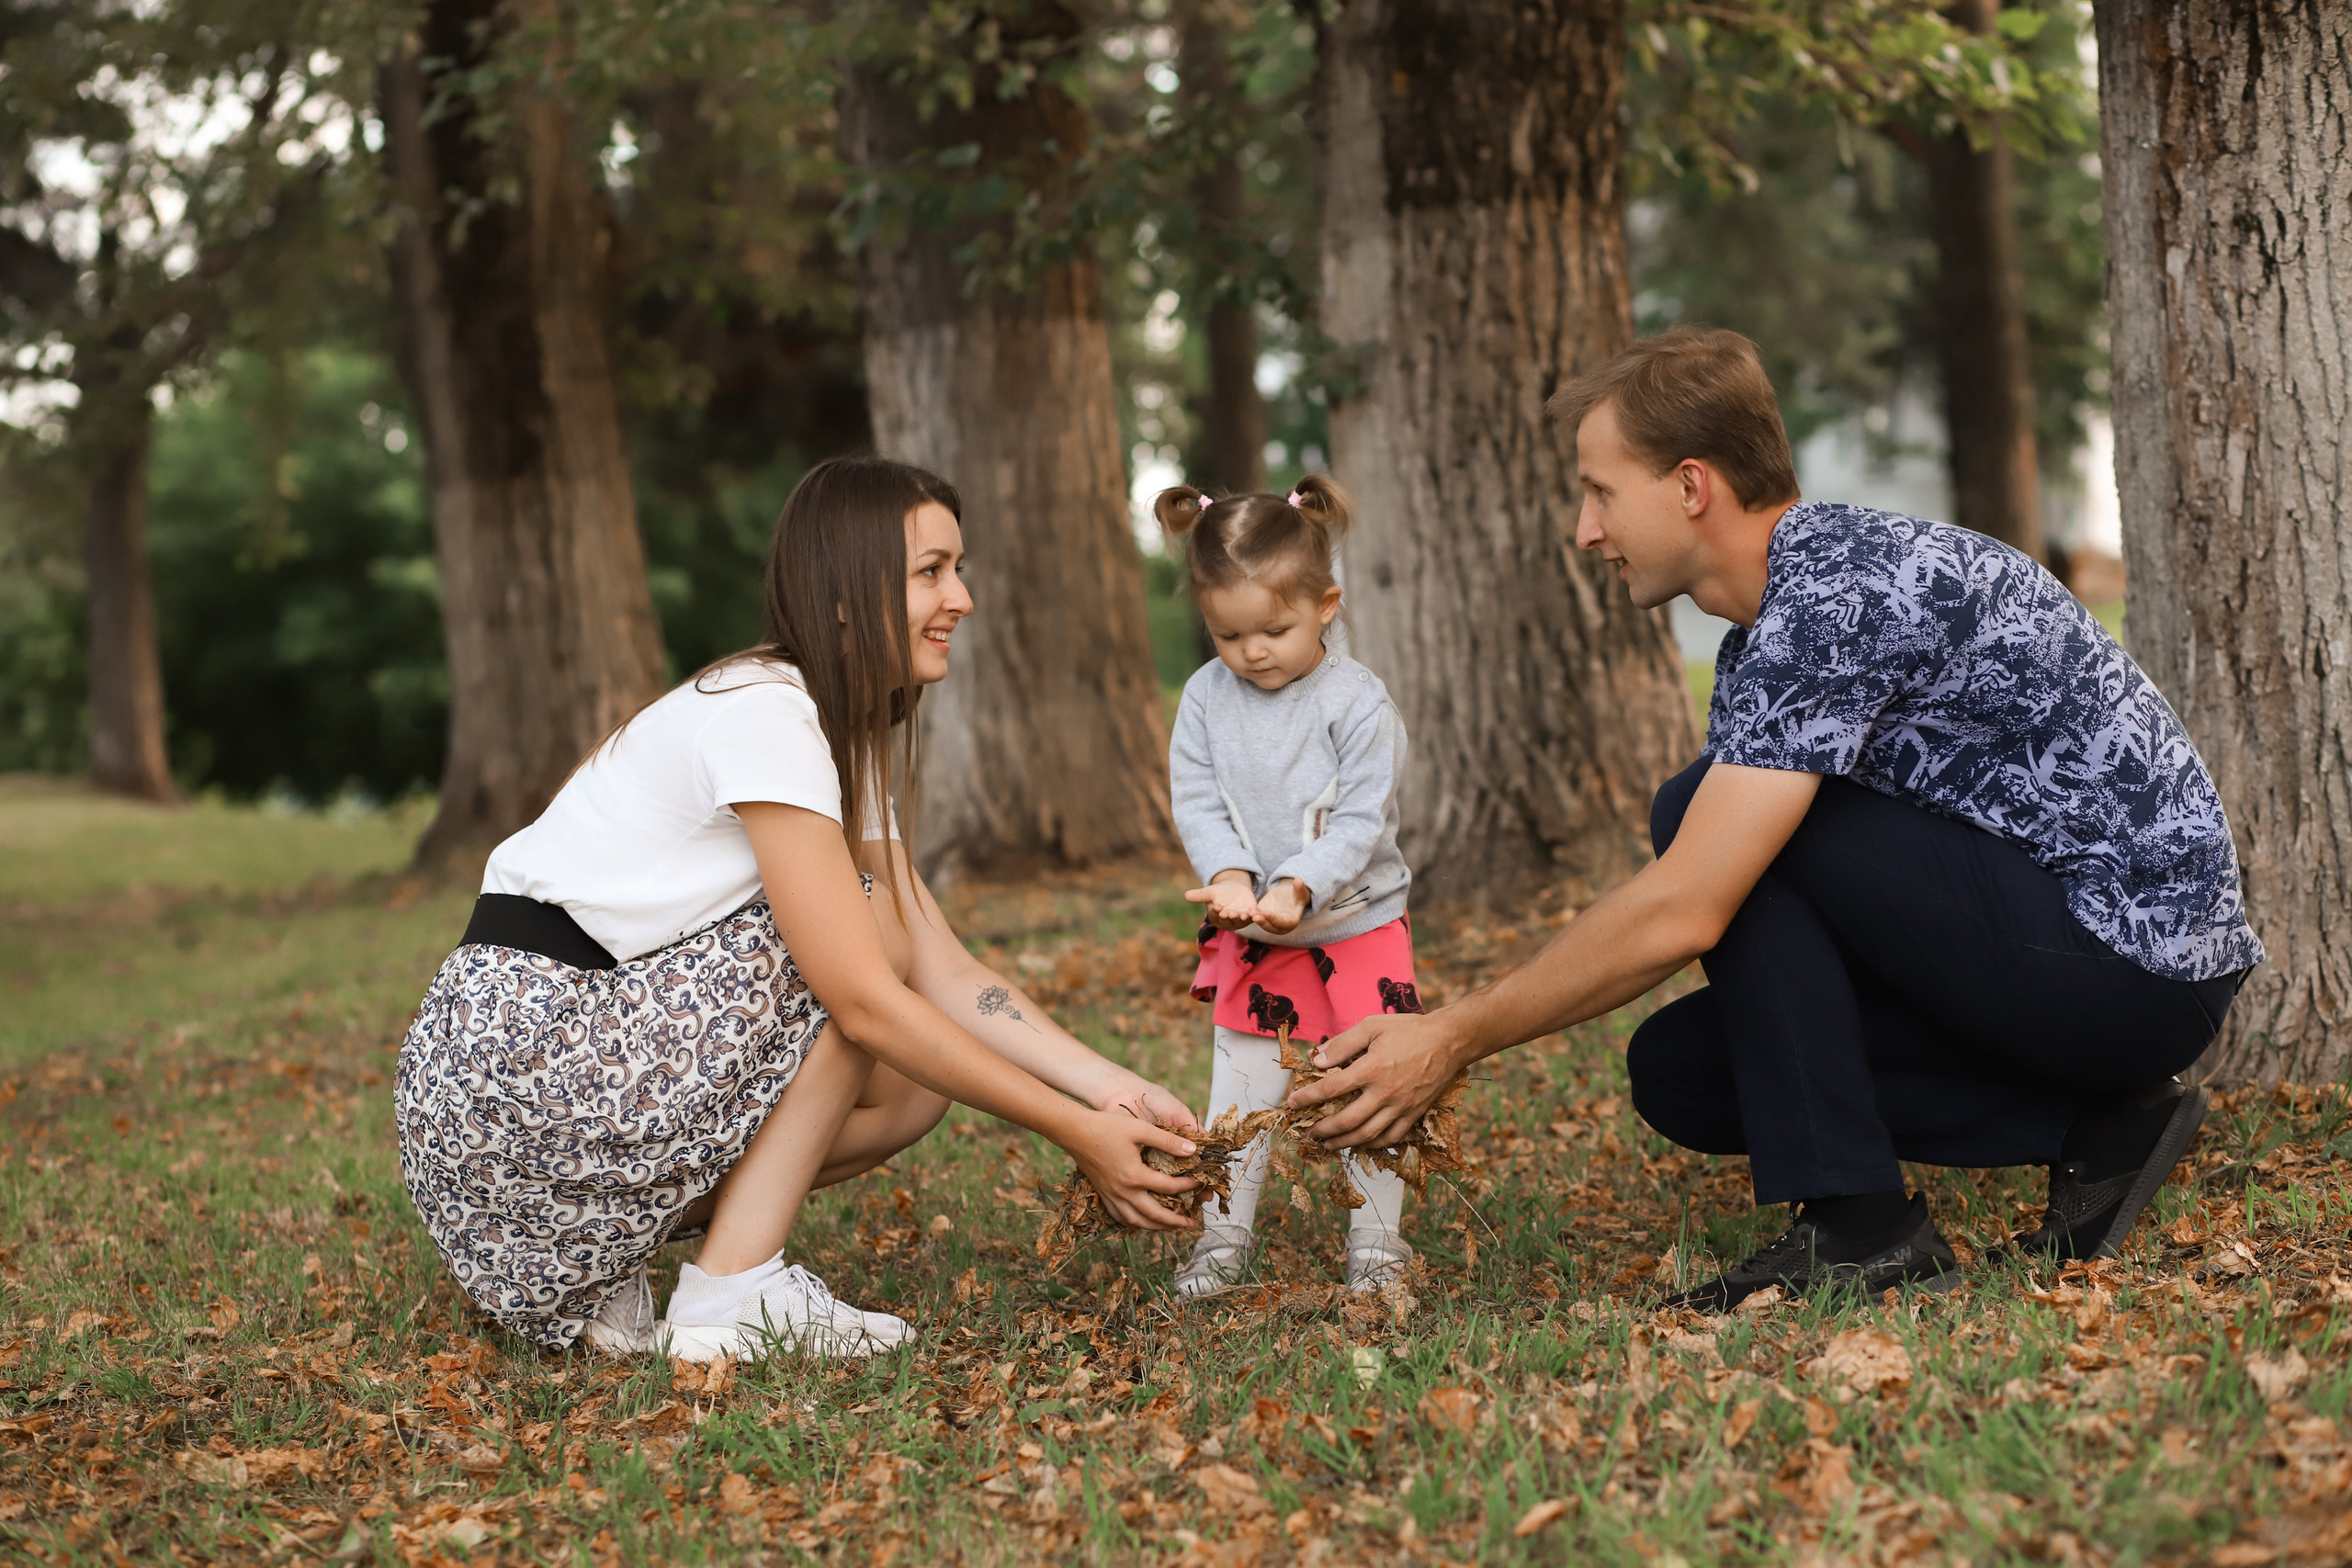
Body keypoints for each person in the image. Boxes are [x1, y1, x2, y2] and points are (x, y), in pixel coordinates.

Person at [1286, 326, 2261, 1310]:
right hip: (2051, 957)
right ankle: (2097, 1128)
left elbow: (1691, 904)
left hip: (2131, 962)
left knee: (1703, 818)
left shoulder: (1836, 592)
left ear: (1691, 487)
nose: (1585, 530)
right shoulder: (1777, 620)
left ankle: (1862, 1227)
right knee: (1685, 1072)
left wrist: (1451, 1035)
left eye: (1599, 491)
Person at [395, 457, 1203, 1362]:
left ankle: (628, 1259)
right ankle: (731, 1291)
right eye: (931, 571)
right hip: (513, 1083)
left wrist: (1105, 1090)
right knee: (861, 953)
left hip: (557, 1091)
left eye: (957, 568)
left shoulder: (832, 732)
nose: (962, 598)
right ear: (848, 593)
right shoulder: (765, 712)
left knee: (912, 1085)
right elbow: (866, 990)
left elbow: (943, 967)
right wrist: (1072, 1131)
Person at [1155, 476, 1422, 1298]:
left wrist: (1297, 885)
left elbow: (1362, 817)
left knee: (1372, 1089)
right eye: (1227, 633)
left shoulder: (1355, 702)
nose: (1253, 651)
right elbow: (1197, 798)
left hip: (1358, 924)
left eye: (1275, 628)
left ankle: (1376, 1250)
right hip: (1260, 935)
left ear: (1327, 603)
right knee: (1238, 1094)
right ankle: (1221, 1245)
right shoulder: (1204, 699)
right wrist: (1232, 876)